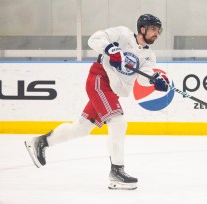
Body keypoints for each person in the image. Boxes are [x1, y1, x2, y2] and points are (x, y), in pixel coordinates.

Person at [24, 14, 168, 190]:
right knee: (118, 121)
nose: (156, 34)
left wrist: (154, 80)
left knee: (82, 128)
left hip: (113, 91)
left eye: (158, 31)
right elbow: (95, 38)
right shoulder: (122, 34)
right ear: (142, 29)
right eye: (153, 29)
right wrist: (111, 49)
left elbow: (143, 78)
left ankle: (41, 142)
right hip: (100, 79)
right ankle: (117, 171)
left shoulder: (148, 55)